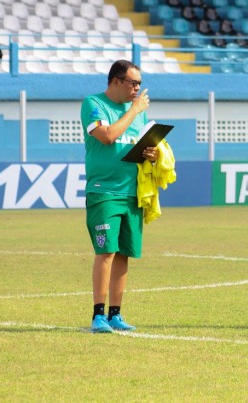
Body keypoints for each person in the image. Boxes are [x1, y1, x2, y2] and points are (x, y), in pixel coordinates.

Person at [80, 59, 159, 333]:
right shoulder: (93, 104)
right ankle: (97, 316)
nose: (137, 88)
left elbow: (137, 145)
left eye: (139, 83)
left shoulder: (138, 113)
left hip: (132, 191)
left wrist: (151, 153)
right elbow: (108, 136)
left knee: (124, 253)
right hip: (104, 191)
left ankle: (115, 314)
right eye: (133, 83)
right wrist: (135, 111)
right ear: (115, 81)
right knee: (106, 251)